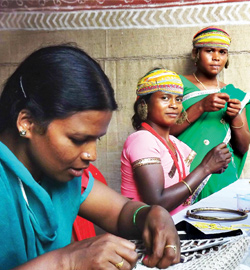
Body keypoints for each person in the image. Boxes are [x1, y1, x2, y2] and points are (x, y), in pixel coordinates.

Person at [0, 44, 180, 270]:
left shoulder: (58, 174)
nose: (91, 155)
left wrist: (150, 214)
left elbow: (120, 212)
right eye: (77, 139)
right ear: (27, 122)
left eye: (97, 139)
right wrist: (66, 261)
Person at [120, 68, 231, 215]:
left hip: (173, 229)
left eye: (178, 99)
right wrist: (205, 168)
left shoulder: (175, 143)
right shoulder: (142, 139)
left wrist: (215, 164)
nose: (174, 105)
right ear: (143, 103)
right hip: (146, 234)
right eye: (165, 98)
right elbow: (157, 203)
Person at [170, 26, 250, 202]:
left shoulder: (234, 94)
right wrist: (200, 107)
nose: (216, 57)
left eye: (222, 52)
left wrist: (235, 116)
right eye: (209, 51)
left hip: (221, 174)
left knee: (221, 225)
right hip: (184, 170)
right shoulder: (176, 84)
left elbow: (243, 147)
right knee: (181, 226)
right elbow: (165, 130)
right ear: (195, 53)